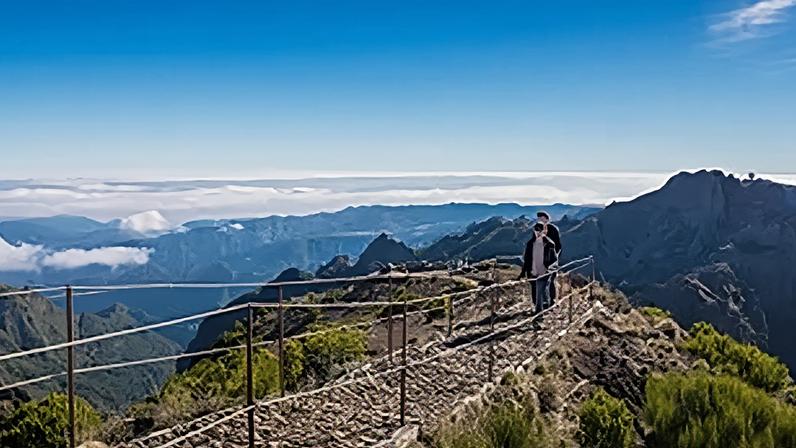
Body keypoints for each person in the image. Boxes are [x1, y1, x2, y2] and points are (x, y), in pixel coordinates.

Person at [519, 222, 559, 314]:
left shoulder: (550, 244)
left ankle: (540, 311)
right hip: (533, 272)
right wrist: (523, 272)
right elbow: (527, 259)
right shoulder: (530, 244)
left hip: (544, 272)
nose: (538, 232)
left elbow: (554, 260)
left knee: (541, 290)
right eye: (536, 229)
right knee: (535, 291)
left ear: (545, 230)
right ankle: (539, 309)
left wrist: (548, 270)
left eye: (540, 229)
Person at [535, 211, 562, 304]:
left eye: (542, 218)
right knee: (542, 281)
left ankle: (552, 300)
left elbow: (558, 245)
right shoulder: (538, 229)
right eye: (539, 219)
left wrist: (555, 257)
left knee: (551, 280)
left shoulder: (553, 229)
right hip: (542, 261)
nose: (540, 220)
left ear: (547, 219)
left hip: (552, 260)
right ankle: (544, 302)